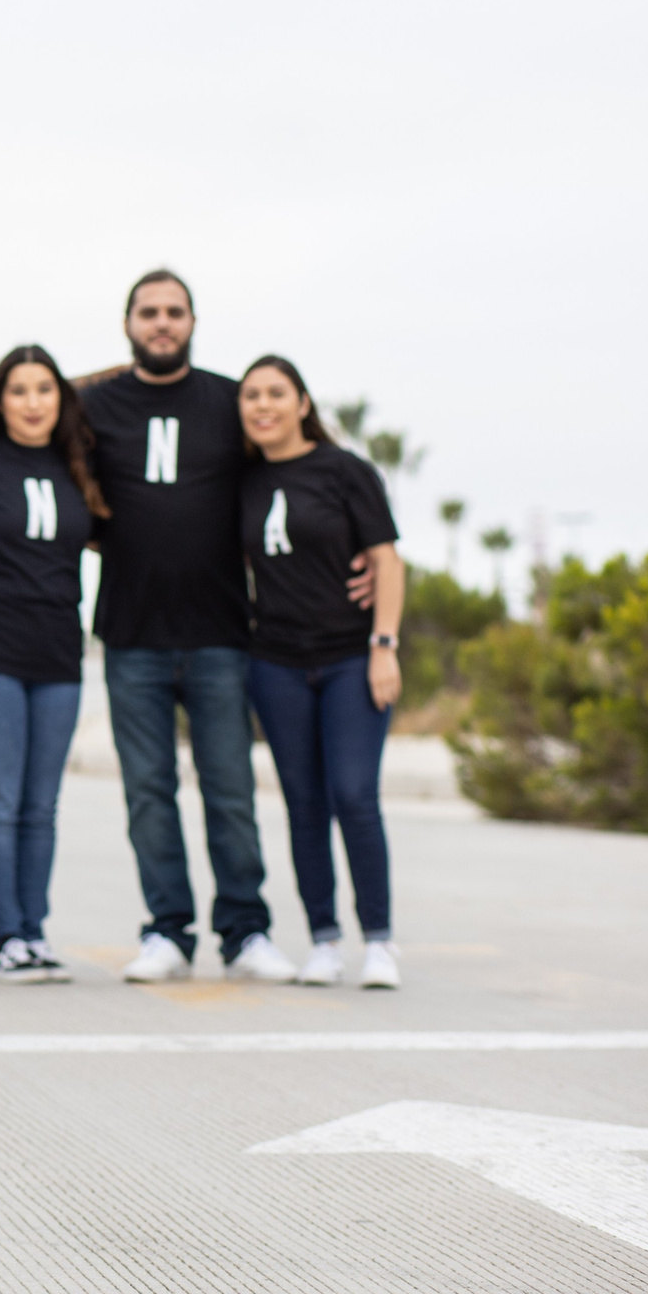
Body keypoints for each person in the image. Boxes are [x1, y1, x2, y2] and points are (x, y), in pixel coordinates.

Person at [79, 271, 297, 985]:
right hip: (132, 633)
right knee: (148, 792)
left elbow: (290, 473)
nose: (162, 323)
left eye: (174, 312)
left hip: (220, 635)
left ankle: (246, 930)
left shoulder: (229, 400)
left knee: (231, 790)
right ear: (128, 324)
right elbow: (20, 410)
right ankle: (167, 929)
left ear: (194, 320)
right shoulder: (96, 406)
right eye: (149, 313)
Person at [237, 355, 406, 990]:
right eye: (251, 396)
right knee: (304, 805)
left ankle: (381, 943)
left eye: (276, 393)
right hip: (275, 662)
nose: (263, 405)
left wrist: (383, 645)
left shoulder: (345, 471)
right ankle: (325, 941)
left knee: (355, 796)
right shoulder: (242, 482)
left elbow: (387, 562)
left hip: (348, 660)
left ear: (302, 403)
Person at [0, 346, 106, 983]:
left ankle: (35, 932)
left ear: (60, 399)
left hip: (59, 654)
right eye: (19, 390)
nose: (33, 402)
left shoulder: (78, 467)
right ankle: (4, 937)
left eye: (45, 389)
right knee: (0, 801)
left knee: (43, 806)